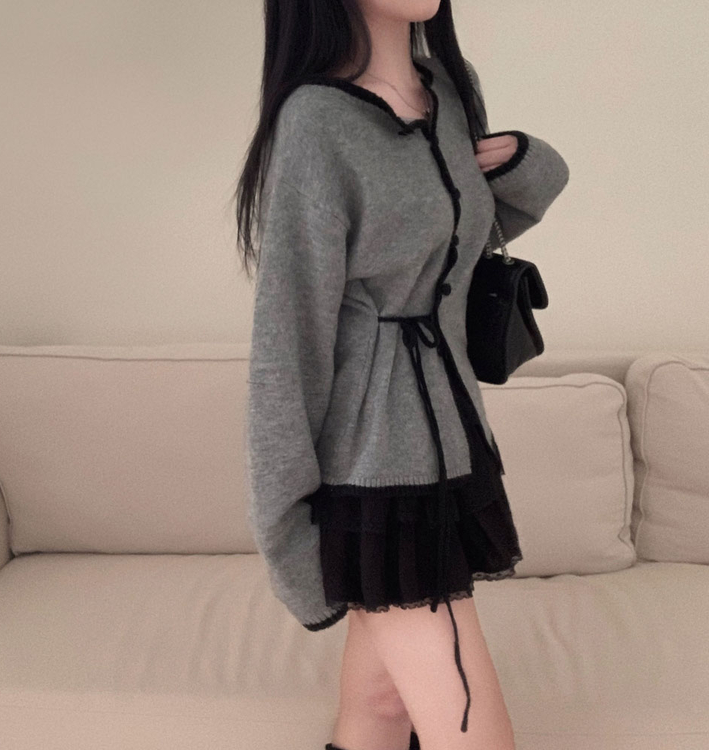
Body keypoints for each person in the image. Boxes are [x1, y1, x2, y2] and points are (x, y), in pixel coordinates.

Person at [235, 1, 569, 749]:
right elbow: (286, 346)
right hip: (373, 473)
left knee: (382, 707)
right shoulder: (317, 122)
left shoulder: (446, 86)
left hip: (453, 435)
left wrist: (529, 163)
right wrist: (286, 526)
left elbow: (453, 240)